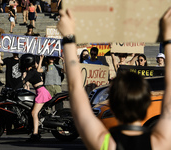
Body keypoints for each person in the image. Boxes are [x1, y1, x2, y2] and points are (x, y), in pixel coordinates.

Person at [57, 8, 171, 150]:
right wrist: (168, 39)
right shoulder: (159, 143)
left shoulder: (104, 144)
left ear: (113, 105)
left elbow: (74, 88)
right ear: (147, 104)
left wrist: (68, 38)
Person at [16, 53, 52, 141]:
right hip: (40, 91)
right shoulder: (31, 71)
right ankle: (35, 130)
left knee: (34, 113)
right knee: (33, 112)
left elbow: (24, 81)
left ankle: (35, 134)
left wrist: (14, 88)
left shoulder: (31, 72)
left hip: (41, 92)